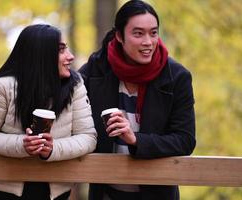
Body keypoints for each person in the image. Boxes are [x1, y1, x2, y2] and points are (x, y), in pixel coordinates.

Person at [79, 1, 196, 199]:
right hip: (105, 192)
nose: (148, 42)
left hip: (157, 193)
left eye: (153, 33)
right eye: (138, 33)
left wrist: (136, 140)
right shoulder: (96, 68)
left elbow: (185, 140)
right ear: (119, 36)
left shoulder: (177, 77)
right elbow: (66, 100)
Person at [0, 24, 97, 200]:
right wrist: (23, 145)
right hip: (5, 190)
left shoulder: (75, 86)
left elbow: (88, 137)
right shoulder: (4, 86)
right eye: (61, 50)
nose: (70, 57)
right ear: (41, 55)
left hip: (56, 191)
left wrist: (52, 148)